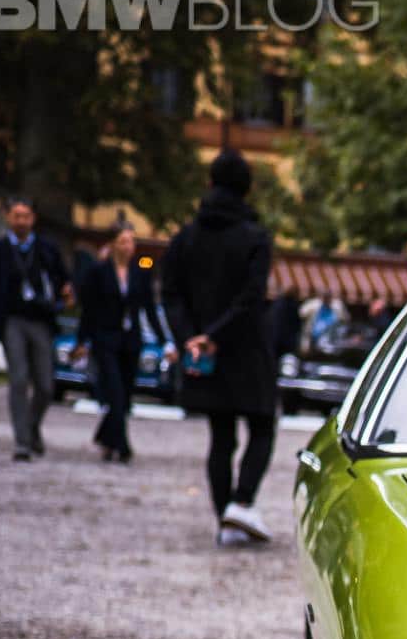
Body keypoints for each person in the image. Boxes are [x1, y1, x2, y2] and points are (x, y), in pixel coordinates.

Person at [161, 149, 278, 546]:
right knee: (262, 425)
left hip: (205, 354)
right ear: (247, 188)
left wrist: (192, 337)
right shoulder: (255, 238)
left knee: (221, 435)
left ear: (209, 183)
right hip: (246, 347)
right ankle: (241, 503)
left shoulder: (185, 238)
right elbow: (251, 296)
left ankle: (224, 518)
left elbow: (170, 293)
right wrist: (215, 333)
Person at [0, 197, 72, 460]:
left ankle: (31, 426)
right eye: (16, 216)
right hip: (11, 320)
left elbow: (63, 280)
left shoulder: (46, 249)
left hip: (41, 320)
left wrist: (65, 294)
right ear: (8, 217)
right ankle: (22, 442)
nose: (21, 221)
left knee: (45, 385)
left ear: (33, 218)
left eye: (26, 216)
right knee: (18, 379)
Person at [75, 224, 171, 463]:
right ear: (112, 244)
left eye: (131, 241)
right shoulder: (99, 272)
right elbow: (89, 310)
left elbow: (149, 310)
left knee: (125, 395)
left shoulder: (140, 272)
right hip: (106, 339)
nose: (128, 247)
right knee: (115, 392)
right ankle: (123, 445)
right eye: (123, 241)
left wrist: (165, 342)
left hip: (130, 341)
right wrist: (82, 340)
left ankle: (107, 439)